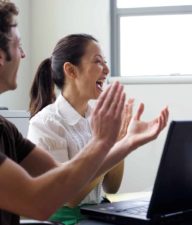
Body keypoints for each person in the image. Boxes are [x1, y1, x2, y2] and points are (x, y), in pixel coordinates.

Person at [0, 2, 169, 225]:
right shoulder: (44, 121)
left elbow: (66, 176)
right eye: (18, 45)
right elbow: (41, 202)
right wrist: (102, 142)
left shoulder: (6, 130)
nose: (23, 54)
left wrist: (127, 142)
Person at [27, 34, 132, 224]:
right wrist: (104, 146)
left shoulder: (97, 116)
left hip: (97, 212)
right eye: (98, 62)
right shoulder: (45, 124)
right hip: (66, 219)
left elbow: (112, 187)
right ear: (71, 70)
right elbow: (68, 197)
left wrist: (119, 143)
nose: (107, 70)